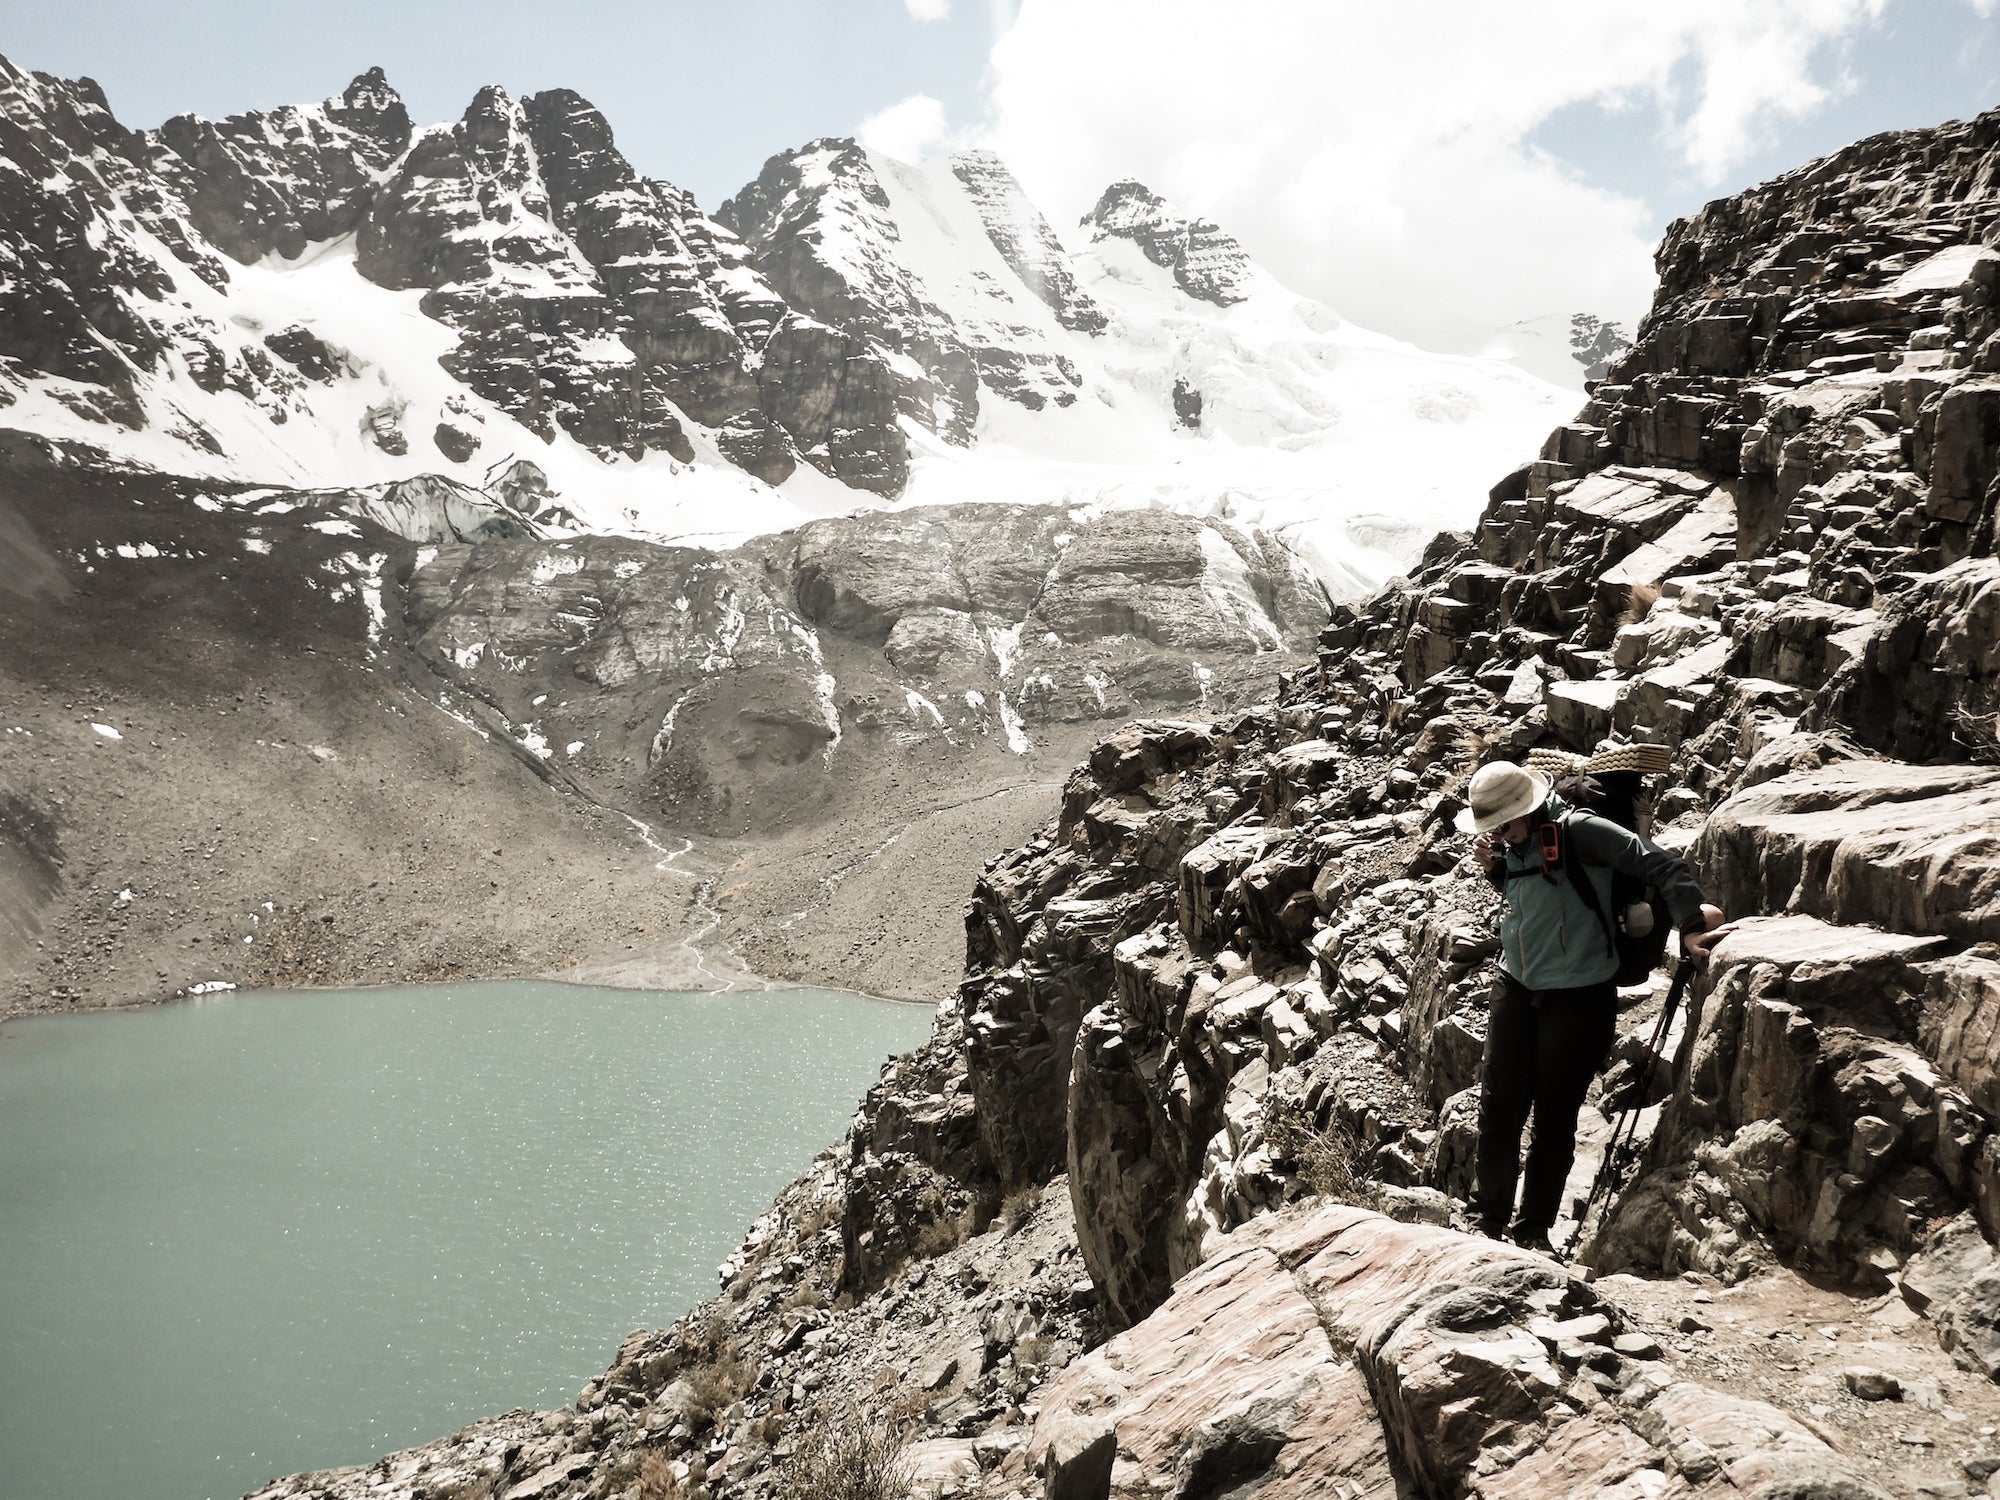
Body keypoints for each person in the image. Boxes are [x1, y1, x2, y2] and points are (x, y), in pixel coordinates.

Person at [1455, 760, 1729, 1253]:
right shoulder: (1512, 846)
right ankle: (1487, 1219)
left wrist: (1690, 924)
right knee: (1498, 1107)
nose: (1498, 836)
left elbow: (1660, 863)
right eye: (1491, 828)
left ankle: (1533, 1231)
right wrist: (1498, 868)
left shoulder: (1581, 830)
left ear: (1532, 808)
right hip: (1515, 985)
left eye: (1504, 826)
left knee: (1554, 1115)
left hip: (1579, 996)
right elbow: (1541, 899)